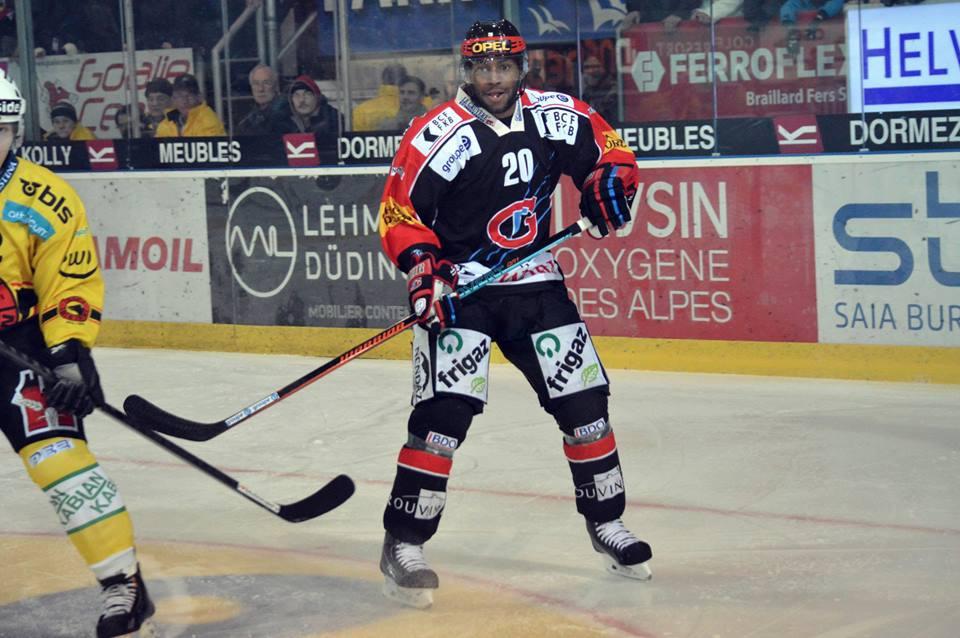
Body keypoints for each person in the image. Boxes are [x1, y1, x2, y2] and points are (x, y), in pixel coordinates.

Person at [376, 19, 651, 610]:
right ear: (466, 71)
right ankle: (403, 541)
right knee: (443, 418)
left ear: (520, 67)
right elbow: (400, 212)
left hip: (536, 285)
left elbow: (613, 154)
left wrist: (609, 183)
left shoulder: (557, 114)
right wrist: (424, 272)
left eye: (503, 66)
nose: (493, 78)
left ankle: (606, 522)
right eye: (481, 67)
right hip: (462, 293)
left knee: (585, 409)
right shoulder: (437, 133)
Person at [0, 70, 155, 638]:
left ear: (14, 130)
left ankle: (124, 586)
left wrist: (68, 356)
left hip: (23, 351)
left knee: (62, 464)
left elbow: (70, 281)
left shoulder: (44, 198)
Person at [270, 74, 342, 138]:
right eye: (296, 95)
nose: (301, 100)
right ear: (291, 100)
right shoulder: (282, 123)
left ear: (317, 98)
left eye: (307, 94)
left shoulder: (333, 119)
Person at [155, 73, 226, 138]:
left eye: (189, 95)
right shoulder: (167, 123)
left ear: (199, 97)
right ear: (174, 98)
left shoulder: (208, 121)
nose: (185, 101)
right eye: (180, 96)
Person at [235, 63, 288, 136]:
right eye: (256, 84)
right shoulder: (246, 122)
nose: (260, 89)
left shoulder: (287, 114)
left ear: (276, 86)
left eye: (266, 83)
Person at [352, 63, 407, 132]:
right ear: (406, 81)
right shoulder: (420, 105)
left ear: (383, 80)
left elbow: (355, 138)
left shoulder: (361, 110)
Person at [580, 55, 618, 123]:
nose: (591, 71)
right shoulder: (584, 92)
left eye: (595, 67)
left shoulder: (613, 89)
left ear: (603, 68)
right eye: (587, 67)